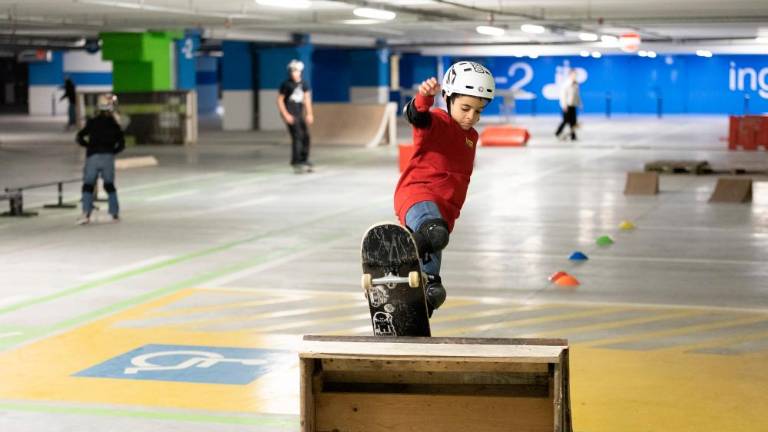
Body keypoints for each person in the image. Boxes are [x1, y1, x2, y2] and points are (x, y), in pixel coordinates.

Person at [395, 61, 495, 317]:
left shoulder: (471, 137)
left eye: (478, 111)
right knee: (435, 233)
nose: (471, 116)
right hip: (417, 196)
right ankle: (397, 256)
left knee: (433, 291)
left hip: (442, 216)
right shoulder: (439, 121)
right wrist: (424, 98)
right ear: (448, 98)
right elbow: (417, 117)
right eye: (465, 108)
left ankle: (414, 316)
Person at [75, 94, 125, 225]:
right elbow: (121, 144)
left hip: (93, 157)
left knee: (88, 185)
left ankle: (86, 213)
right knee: (109, 185)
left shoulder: (92, 122)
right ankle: (114, 214)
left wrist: (88, 146)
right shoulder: (114, 124)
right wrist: (112, 151)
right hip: (108, 157)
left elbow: (80, 136)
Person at [277, 59, 314, 174]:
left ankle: (304, 159)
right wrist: (286, 115)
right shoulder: (286, 84)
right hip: (290, 112)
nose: (294, 73)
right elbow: (279, 100)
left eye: (296, 71)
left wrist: (309, 113)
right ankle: (296, 161)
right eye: (292, 71)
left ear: (300, 72)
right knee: (297, 136)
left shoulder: (304, 84)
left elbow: (307, 99)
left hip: (299, 112)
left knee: (306, 136)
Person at [555, 69, 581, 141]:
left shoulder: (576, 84)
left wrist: (579, 104)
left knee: (573, 121)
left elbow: (577, 95)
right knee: (565, 120)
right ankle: (557, 133)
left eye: (576, 74)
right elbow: (563, 95)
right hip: (567, 105)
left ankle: (573, 136)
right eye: (573, 74)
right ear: (570, 75)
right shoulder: (566, 84)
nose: (575, 76)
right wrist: (564, 105)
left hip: (573, 105)